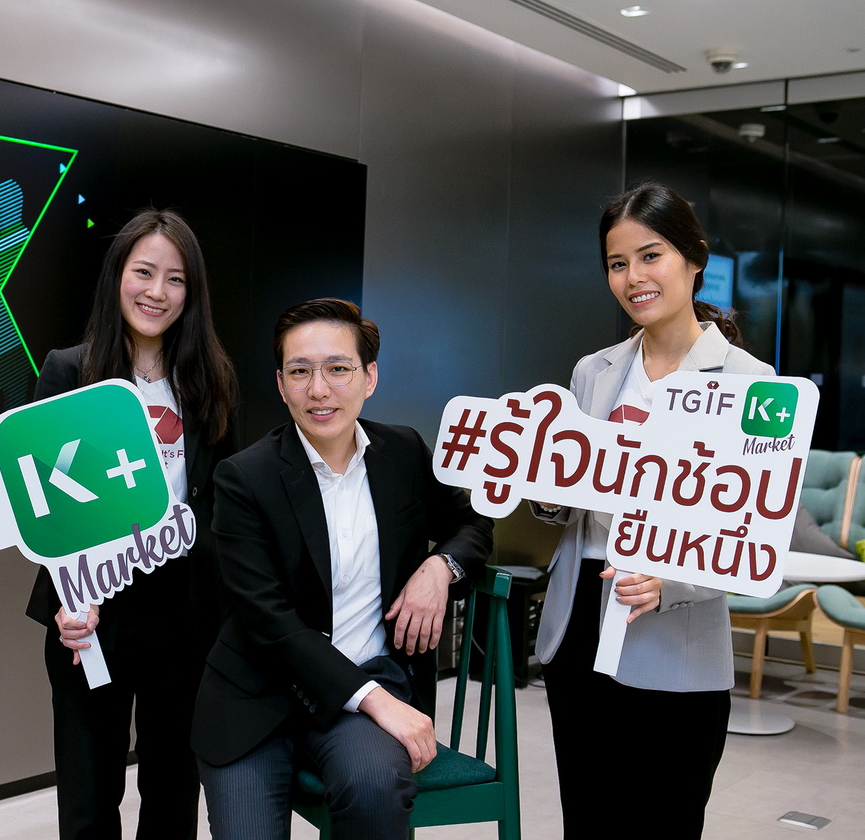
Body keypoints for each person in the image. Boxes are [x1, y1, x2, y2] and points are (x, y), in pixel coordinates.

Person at [191, 298, 493, 840]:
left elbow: (472, 523)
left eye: (338, 368)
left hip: (363, 685)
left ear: (369, 377)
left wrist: (439, 568)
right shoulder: (244, 478)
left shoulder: (402, 452)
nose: (319, 389)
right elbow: (267, 620)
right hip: (257, 695)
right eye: (299, 372)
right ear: (281, 384)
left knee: (375, 786)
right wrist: (378, 701)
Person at [532, 183, 774, 839]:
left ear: (694, 259)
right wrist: (548, 491)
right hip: (580, 621)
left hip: (675, 635)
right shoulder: (593, 371)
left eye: (651, 255)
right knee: (589, 819)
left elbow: (753, 537)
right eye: (618, 263)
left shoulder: (750, 382)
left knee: (664, 821)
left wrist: (672, 582)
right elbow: (570, 506)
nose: (633, 277)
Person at [25, 208, 238, 840]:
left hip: (184, 616)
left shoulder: (212, 380)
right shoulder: (69, 371)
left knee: (172, 794)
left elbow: (223, 506)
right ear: (117, 275)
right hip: (92, 613)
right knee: (89, 800)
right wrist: (70, 594)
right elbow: (40, 501)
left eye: (175, 279)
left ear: (192, 293)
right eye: (144, 272)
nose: (157, 292)